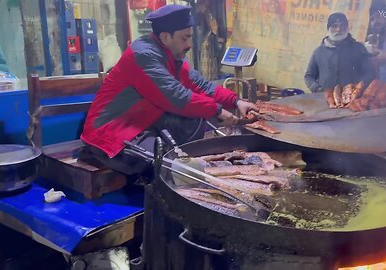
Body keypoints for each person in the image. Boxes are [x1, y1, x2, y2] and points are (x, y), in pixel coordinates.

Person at [80, 4, 256, 176]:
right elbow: (177, 98)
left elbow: (201, 86)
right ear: (165, 37)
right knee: (159, 162)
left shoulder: (171, 55)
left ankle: (178, 162)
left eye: (190, 38)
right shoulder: (144, 56)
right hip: (113, 132)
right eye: (184, 38)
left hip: (142, 122)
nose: (188, 44)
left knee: (194, 122)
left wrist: (236, 101)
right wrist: (217, 110)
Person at [304, 13, 375, 92]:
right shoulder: (319, 52)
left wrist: (358, 88)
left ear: (347, 28)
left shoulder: (358, 48)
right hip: (324, 99)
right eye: (334, 26)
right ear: (328, 29)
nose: (338, 29)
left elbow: (369, 73)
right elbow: (309, 76)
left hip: (352, 100)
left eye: (342, 25)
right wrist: (317, 88)